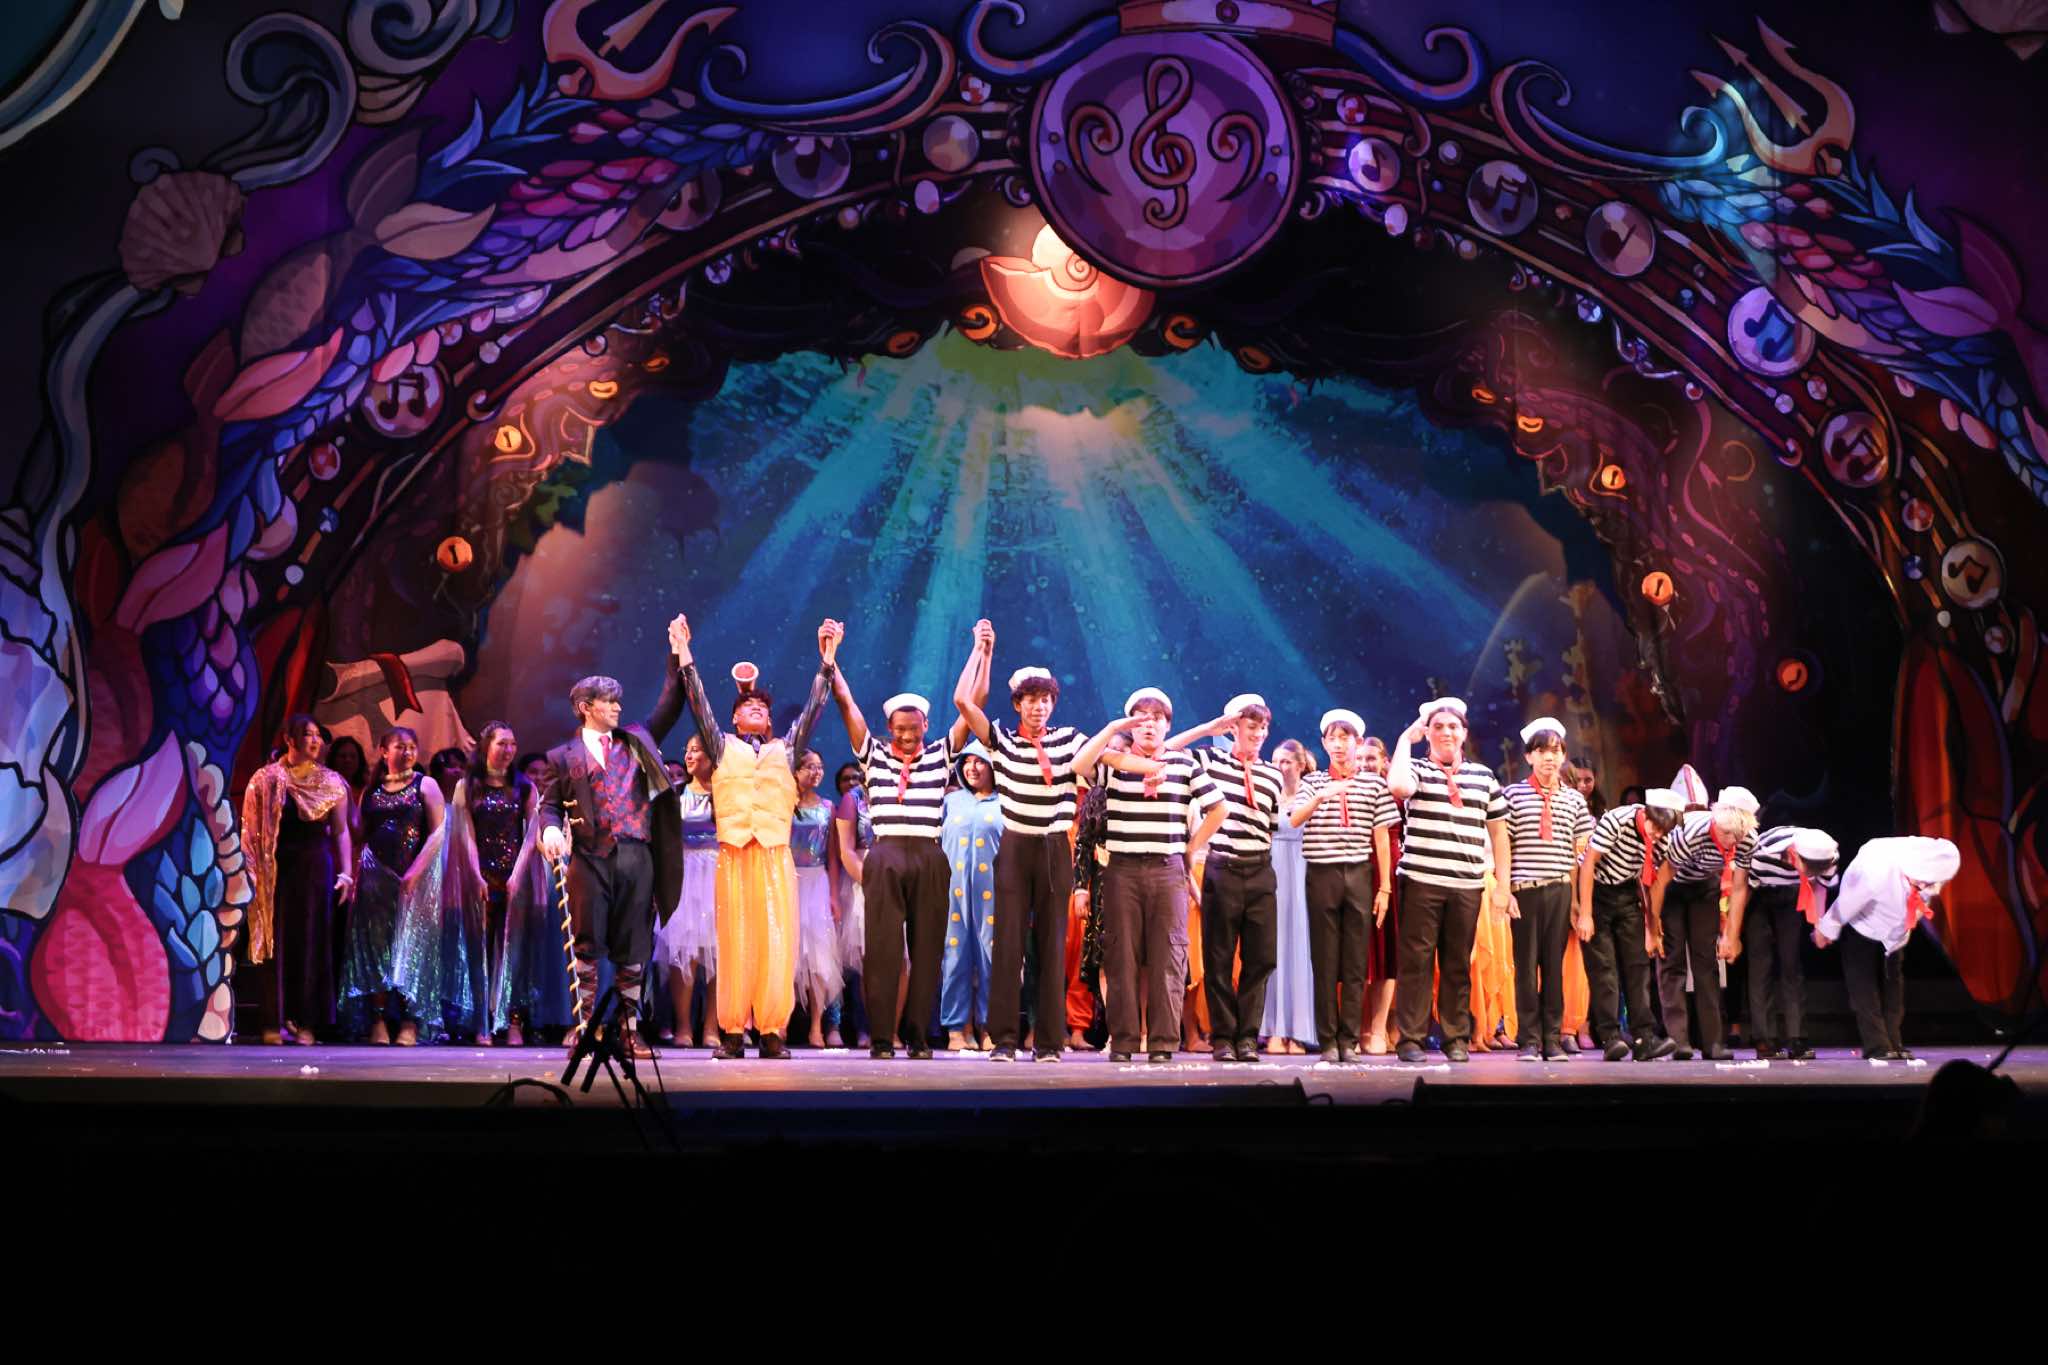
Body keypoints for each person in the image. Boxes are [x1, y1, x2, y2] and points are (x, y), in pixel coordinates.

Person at [671, 616, 836, 1060]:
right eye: (749, 706)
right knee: (736, 941)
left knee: (776, 943)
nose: (757, 709)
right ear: (734, 717)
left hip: (775, 854)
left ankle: (771, 1031)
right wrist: (684, 652)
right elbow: (698, 702)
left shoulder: (787, 749)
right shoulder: (722, 745)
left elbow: (813, 710)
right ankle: (731, 1031)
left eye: (763, 707)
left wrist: (827, 663)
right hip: (735, 852)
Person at [537, 621, 689, 1061]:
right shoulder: (561, 757)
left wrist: (677, 652)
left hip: (636, 855)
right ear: (585, 707)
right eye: (609, 701)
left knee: (634, 947)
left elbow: (671, 703)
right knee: (585, 945)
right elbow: (550, 805)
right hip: (589, 857)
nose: (618, 707)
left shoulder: (637, 741)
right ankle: (584, 1027)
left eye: (619, 700)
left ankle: (628, 1031)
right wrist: (550, 828)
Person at [829, 625, 976, 1059]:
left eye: (914, 728)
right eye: (900, 729)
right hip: (887, 853)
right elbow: (847, 704)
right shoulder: (873, 754)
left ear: (926, 725)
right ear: (889, 728)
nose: (908, 736)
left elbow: (972, 705)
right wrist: (831, 659)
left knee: (927, 951)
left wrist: (978, 651)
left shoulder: (941, 754)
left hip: (929, 855)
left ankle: (917, 1036)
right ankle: (881, 1038)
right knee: (883, 950)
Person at [953, 622, 1088, 1063]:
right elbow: (963, 701)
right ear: (1017, 704)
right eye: (1031, 699)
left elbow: (1100, 759)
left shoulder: (1070, 740)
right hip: (1014, 847)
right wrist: (982, 651)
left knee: (1051, 945)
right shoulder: (1003, 743)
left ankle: (1048, 1042)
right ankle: (1005, 1040)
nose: (1039, 707)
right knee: (1008, 944)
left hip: (1054, 848)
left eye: (1045, 699)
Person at [1073, 688, 1226, 1063]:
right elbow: (1079, 764)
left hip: (1166, 869)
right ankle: (1124, 1041)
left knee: (1168, 956)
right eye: (1140, 718)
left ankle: (1162, 1042)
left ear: (1167, 725)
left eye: (1156, 718)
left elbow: (1218, 809)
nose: (1149, 724)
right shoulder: (1114, 762)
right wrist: (1113, 728)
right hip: (1121, 870)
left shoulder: (1184, 765)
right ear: (1131, 725)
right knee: (1120, 957)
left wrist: (1190, 848)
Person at [1386, 697, 1511, 1064]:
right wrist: (1405, 740)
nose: (1446, 732)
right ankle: (1411, 1039)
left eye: (1453, 727)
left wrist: (1503, 887)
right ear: (1427, 733)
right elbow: (1398, 787)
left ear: (1464, 733)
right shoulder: (1417, 769)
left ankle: (1456, 1037)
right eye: (1438, 726)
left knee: (1457, 963)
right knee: (1417, 962)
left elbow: (1499, 834)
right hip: (1420, 882)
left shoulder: (1483, 777)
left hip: (1467, 883)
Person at [1164, 695, 1285, 1063]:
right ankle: (1223, 1037)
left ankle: (1247, 1036)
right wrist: (1209, 728)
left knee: (1261, 958)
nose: (1258, 734)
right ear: (1234, 729)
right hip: (1223, 868)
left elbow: (1271, 827)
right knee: (1218, 958)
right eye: (1251, 727)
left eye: (1263, 728)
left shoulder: (1272, 774)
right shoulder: (1212, 762)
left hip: (1260, 869)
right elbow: (1168, 749)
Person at [432, 720, 561, 1046]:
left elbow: (531, 834)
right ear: (486, 746)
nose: (508, 750)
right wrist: (476, 874)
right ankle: (482, 1022)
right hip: (480, 874)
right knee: (479, 949)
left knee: (515, 949)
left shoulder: (523, 787)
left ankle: (514, 1021)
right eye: (502, 743)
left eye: (512, 744)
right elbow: (465, 832)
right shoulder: (467, 786)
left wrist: (517, 875)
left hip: (515, 876)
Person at [1288, 708, 1395, 1063]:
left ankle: (1348, 1040)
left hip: (1359, 873)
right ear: (1323, 743)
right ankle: (1328, 1041)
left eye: (1345, 738)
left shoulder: (1374, 784)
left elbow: (1381, 836)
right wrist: (1322, 795)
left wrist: (1384, 888)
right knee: (1324, 960)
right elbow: (1294, 819)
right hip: (1322, 873)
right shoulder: (1313, 781)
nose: (1338, 744)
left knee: (1355, 961)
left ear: (1358, 742)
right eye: (1332, 738)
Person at [241, 714, 354, 1045]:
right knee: (274, 943)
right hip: (275, 870)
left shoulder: (331, 782)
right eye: (308, 734)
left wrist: (346, 873)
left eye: (318, 735)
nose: (315, 741)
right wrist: (250, 871)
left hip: (315, 870)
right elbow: (250, 829)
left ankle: (306, 1023)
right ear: (289, 739)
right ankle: (272, 1021)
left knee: (311, 942)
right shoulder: (265, 779)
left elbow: (341, 831)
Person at [342, 727, 446, 1044]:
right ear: (384, 752)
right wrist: (342, 798)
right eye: (400, 746)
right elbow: (358, 833)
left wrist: (415, 871)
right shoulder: (372, 789)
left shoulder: (425, 784)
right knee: (378, 949)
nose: (408, 752)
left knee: (412, 947)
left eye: (412, 746)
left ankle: (410, 1021)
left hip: (414, 880)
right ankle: (378, 1019)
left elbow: (439, 832)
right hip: (375, 880)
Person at [1813, 836, 1959, 1060]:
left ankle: (1894, 1042)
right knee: (1864, 988)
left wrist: (1900, 934)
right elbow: (1848, 902)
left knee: (1893, 984)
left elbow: (1918, 905)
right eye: (1922, 882)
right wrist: (1826, 929)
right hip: (1862, 924)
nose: (1926, 887)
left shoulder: (1933, 864)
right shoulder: (1876, 870)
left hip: (1894, 930)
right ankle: (1877, 1046)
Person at [1500, 717, 1595, 1061]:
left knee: (1554, 966)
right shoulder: (1512, 795)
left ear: (1563, 756)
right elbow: (1504, 847)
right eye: (1541, 751)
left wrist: (1577, 901)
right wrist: (1506, 890)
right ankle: (1528, 1039)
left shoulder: (1574, 800)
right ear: (1529, 756)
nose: (1549, 758)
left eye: (1555, 751)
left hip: (1559, 889)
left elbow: (1578, 852)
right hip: (1524, 890)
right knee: (1525, 967)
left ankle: (1552, 1039)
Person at [1647, 785, 1759, 1060]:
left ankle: (1713, 1043)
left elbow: (1739, 888)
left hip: (1704, 888)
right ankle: (1678, 1041)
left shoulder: (1747, 839)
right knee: (1671, 961)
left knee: (1706, 963)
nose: (1730, 841)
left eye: (1737, 835)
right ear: (1715, 822)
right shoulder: (1691, 833)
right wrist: (1652, 927)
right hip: (1672, 889)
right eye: (1725, 833)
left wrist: (1731, 935)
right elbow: (1661, 881)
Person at [1576, 787, 1684, 1060]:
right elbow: (1588, 864)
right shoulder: (1617, 821)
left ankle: (1644, 1038)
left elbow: (1651, 884)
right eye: (1655, 827)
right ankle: (1610, 1038)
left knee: (1637, 967)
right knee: (1604, 970)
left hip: (1627, 894)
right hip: (1597, 891)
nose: (1657, 835)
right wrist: (1585, 914)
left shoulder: (1663, 839)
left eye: (1663, 831)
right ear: (1646, 813)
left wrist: (1652, 930)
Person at [1743, 825, 1840, 1059]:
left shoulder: (1827, 857)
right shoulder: (1763, 853)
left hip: (1793, 895)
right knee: (1760, 966)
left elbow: (1819, 887)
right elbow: (1743, 888)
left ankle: (1797, 1038)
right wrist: (1730, 928)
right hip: (1759, 895)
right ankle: (1764, 1039)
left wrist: (1819, 926)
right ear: (1794, 855)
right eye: (1806, 869)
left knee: (1791, 964)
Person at [654, 732, 720, 1047]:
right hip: (684, 873)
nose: (690, 756)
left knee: (720, 953)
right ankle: (683, 1026)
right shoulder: (675, 794)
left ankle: (712, 1026)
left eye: (697, 750)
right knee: (684, 951)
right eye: (688, 750)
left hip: (719, 872)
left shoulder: (726, 793)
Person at [936, 739, 1002, 1050]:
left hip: (994, 894)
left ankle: (989, 1026)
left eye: (979, 762)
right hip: (953, 893)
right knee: (955, 957)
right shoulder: (950, 802)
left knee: (992, 958)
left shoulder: (1006, 802)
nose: (972, 768)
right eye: (966, 762)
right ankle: (956, 1028)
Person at [1263, 739, 1318, 1055]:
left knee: (1299, 948)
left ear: (1300, 765)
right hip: (1272, 869)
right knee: (1273, 947)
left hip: (1302, 869)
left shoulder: (1310, 794)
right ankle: (1273, 1028)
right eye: (1275, 761)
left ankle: (1298, 1030)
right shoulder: (1267, 793)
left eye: (1285, 761)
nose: (1279, 767)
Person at [792, 748, 845, 1048]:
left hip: (817, 882)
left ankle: (817, 1026)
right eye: (809, 767)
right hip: (789, 880)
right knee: (788, 954)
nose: (816, 772)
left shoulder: (827, 807)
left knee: (819, 957)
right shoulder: (785, 804)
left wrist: (834, 895)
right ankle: (780, 1024)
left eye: (820, 767)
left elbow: (832, 856)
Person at [326, 735, 369, 802]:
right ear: (333, 759)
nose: (348, 760)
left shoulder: (367, 791)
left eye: (353, 756)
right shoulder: (325, 790)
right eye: (342, 756)